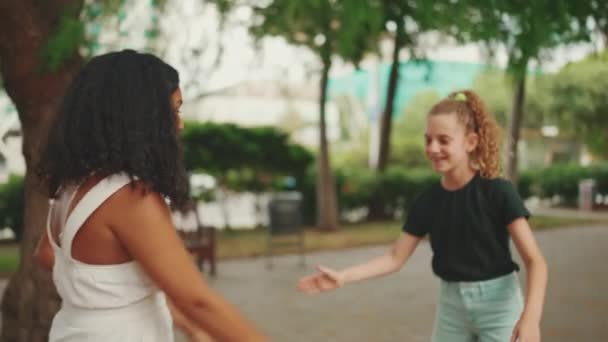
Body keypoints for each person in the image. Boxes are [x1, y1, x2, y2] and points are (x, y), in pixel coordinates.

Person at [34, 49, 266, 342]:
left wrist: (107, 297)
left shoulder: (72, 186)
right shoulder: (130, 198)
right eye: (174, 111)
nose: (179, 124)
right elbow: (197, 300)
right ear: (140, 119)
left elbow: (46, 254)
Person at [298, 90, 548, 342]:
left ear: (471, 142)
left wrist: (530, 318)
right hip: (452, 308)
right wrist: (343, 277)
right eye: (428, 140)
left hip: (499, 306)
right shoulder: (427, 201)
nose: (433, 148)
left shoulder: (498, 192)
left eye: (443, 140)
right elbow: (394, 258)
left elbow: (536, 262)